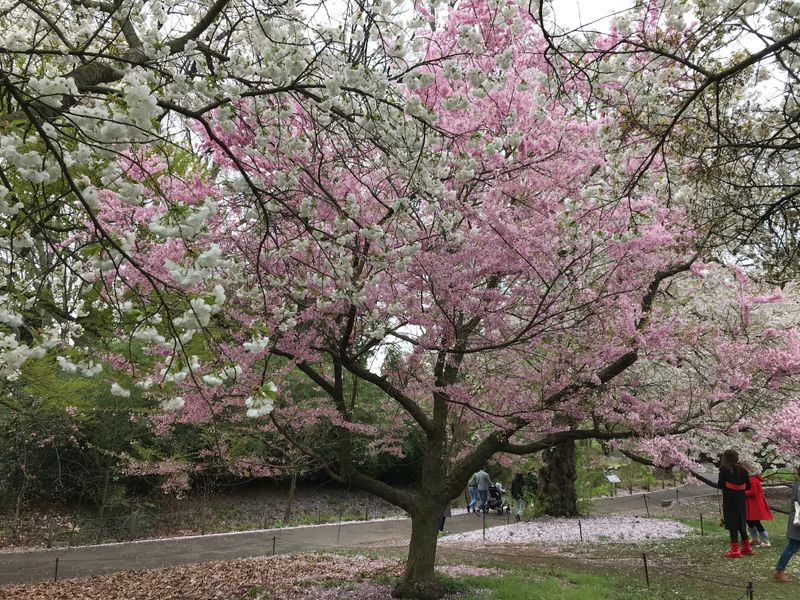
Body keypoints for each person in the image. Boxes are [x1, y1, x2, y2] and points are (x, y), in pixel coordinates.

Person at [718, 449, 752, 558]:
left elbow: (720, 484)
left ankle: (735, 549)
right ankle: (746, 547)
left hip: (729, 499)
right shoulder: (743, 469)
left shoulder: (723, 469)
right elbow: (748, 486)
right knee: (741, 521)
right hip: (741, 498)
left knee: (732, 523)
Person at [774, 466, 800, 582]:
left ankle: (780, 569)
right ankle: (779, 570)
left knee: (793, 546)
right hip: (798, 519)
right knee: (792, 545)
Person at [744, 465, 773, 547]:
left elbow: (753, 492)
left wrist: (742, 492)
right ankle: (755, 538)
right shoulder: (751, 479)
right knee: (749, 521)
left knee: (756, 522)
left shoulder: (753, 480)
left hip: (754, 505)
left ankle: (766, 540)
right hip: (751, 504)